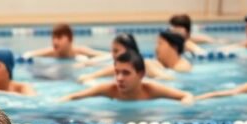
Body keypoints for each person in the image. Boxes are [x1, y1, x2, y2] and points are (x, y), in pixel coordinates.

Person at [61, 50, 193, 103]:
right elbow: (73, 96)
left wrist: (185, 105)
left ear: (141, 74)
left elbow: (186, 95)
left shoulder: (150, 89)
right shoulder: (109, 89)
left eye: (126, 73)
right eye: (117, 72)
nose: (119, 78)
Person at [76, 33, 172, 82]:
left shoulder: (146, 64)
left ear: (130, 50)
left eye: (116, 51)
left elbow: (167, 79)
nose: (113, 55)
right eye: (112, 51)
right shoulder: (117, 65)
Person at [24, 23, 105, 59]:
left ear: (70, 39)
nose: (55, 42)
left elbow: (106, 56)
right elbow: (28, 55)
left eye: (59, 38)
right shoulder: (51, 52)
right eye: (53, 38)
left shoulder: (80, 51)